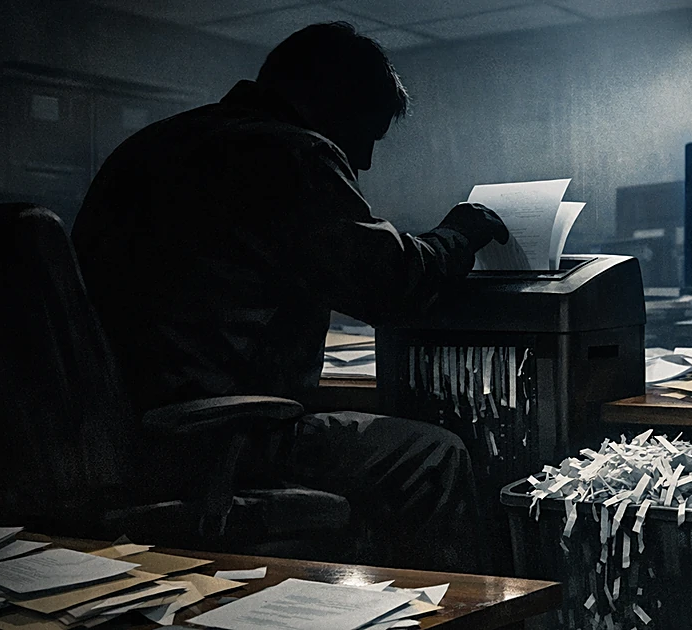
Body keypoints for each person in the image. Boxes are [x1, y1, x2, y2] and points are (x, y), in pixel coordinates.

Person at [71, 22, 508, 572]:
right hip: (211, 448)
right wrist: (458, 234)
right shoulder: (288, 152)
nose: (366, 161)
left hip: (118, 440)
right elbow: (393, 284)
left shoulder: (148, 147)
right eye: (367, 135)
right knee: (430, 456)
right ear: (332, 105)